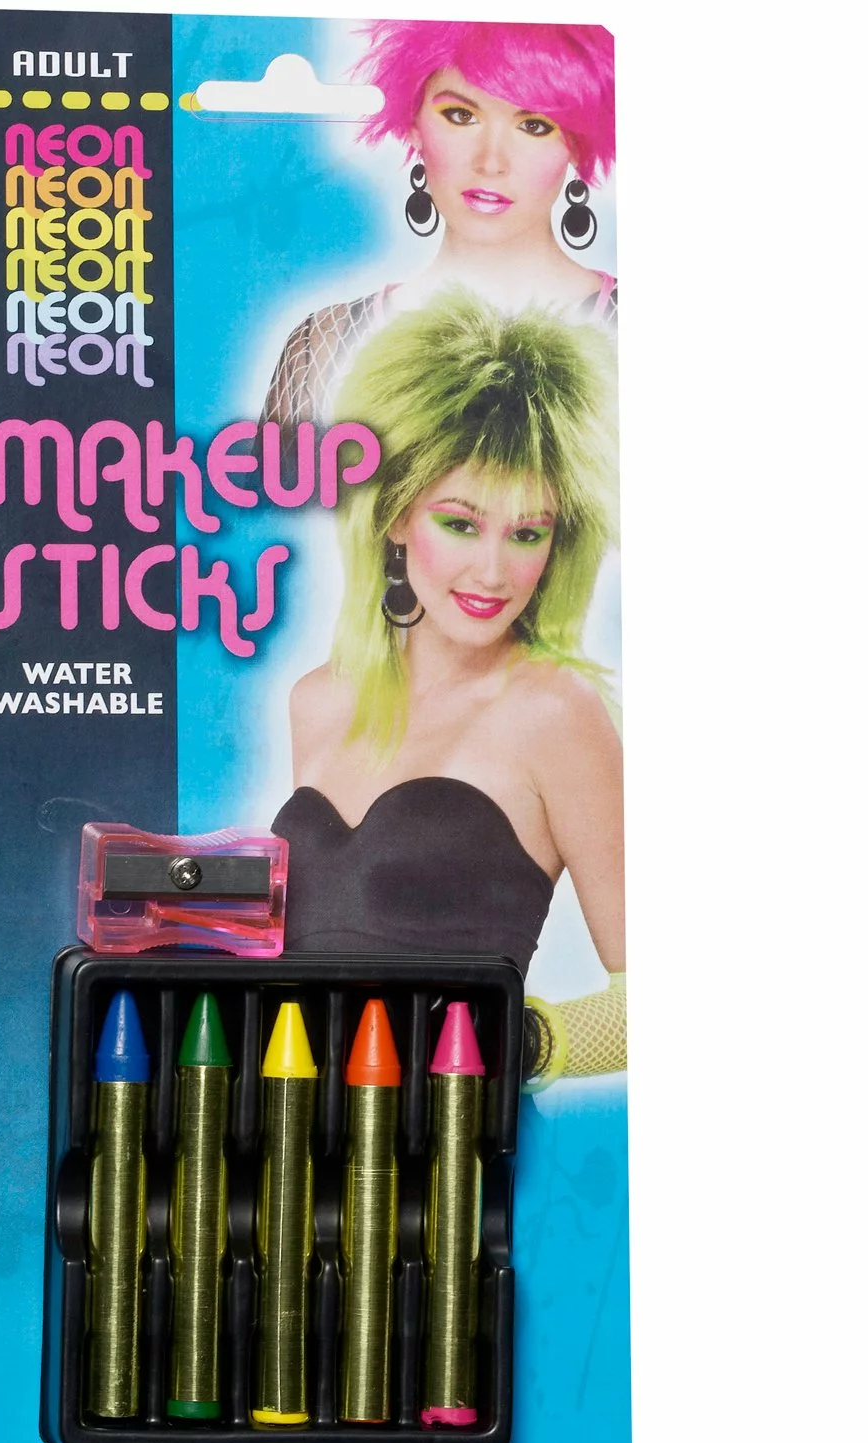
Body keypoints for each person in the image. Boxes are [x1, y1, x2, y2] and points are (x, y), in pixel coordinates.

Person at [272, 291, 625, 1082]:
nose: (493, 572)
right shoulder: (319, 701)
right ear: (396, 517)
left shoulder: (554, 713)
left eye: (527, 533)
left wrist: (513, 1040)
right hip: (289, 1132)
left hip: (457, 1142)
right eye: (460, 523)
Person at [261, 20, 617, 438]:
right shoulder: (324, 344)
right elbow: (271, 483)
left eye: (534, 125)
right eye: (461, 116)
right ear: (413, 124)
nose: (491, 162)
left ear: (577, 142)